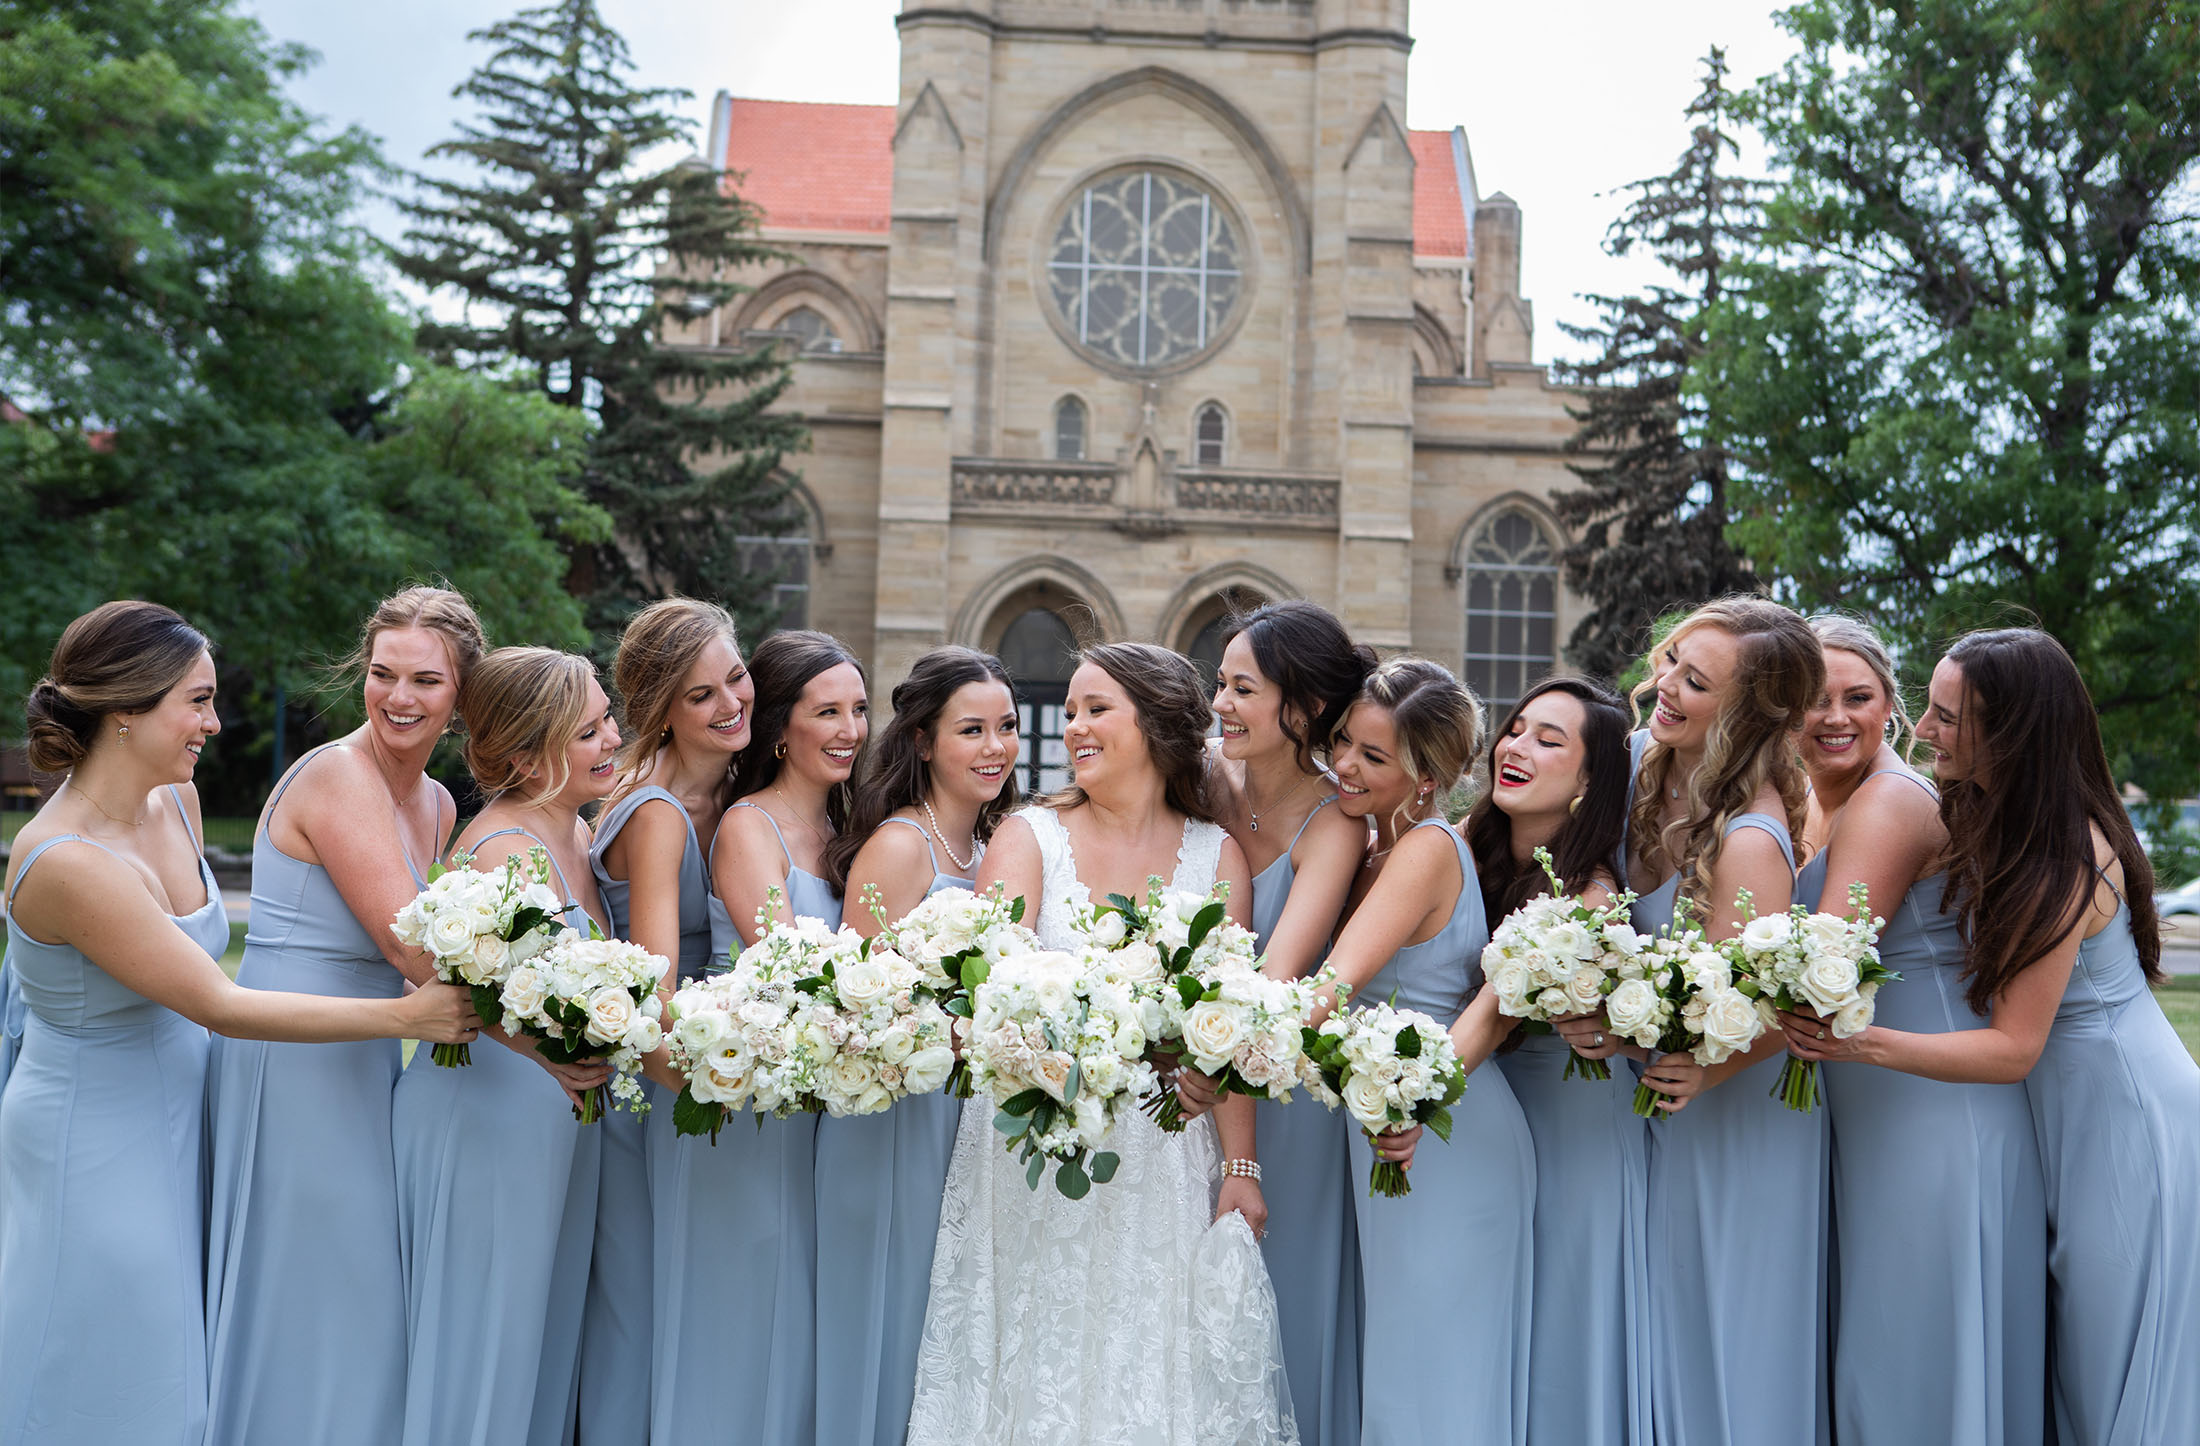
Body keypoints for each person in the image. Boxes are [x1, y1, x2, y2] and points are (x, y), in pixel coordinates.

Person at [0, 602, 477, 1446]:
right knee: (114, 1358)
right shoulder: (67, 860)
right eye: (197, 701)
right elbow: (219, 1002)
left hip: (188, 1107)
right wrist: (406, 1016)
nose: (215, 723)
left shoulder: (176, 803)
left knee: (190, 1352)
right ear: (124, 711)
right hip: (98, 1128)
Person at [1784, 627, 2197, 1445]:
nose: (1923, 730)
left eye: (1946, 717)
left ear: (2011, 733)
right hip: (2065, 1111)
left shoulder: (2062, 852)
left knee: (2117, 1365)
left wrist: (1859, 1042)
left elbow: (2014, 1048)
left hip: (2122, 1121)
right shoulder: (1997, 816)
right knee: (2076, 1364)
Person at [906, 642, 1293, 1446]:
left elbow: (1233, 1025)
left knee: (1148, 1364)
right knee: (1034, 1363)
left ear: (1155, 724)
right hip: (1034, 1148)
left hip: (1164, 1156)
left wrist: (1241, 1169)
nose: (1074, 728)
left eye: (1096, 709)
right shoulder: (1027, 836)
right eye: (1072, 710)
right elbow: (992, 1000)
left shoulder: (1216, 856)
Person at [203, 585, 489, 1446]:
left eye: (425, 682)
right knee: (326, 1279)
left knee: (354, 1284)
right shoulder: (337, 774)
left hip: (365, 1056)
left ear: (461, 695)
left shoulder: (438, 802)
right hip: (291, 1059)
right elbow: (416, 952)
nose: (398, 697)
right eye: (382, 673)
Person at [1774, 616, 2047, 1446]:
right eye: (1813, 700)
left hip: (1932, 1115)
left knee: (1912, 1350)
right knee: (1894, 1342)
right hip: (1883, 1103)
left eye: (1858, 697)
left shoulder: (1889, 802)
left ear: (1893, 707)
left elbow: (1818, 972)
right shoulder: (1828, 805)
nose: (1835, 717)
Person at [1574, 596, 1827, 1446]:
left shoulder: (1751, 840)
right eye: (1672, 662)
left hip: (1725, 1119)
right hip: (1655, 1110)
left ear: (1751, 712)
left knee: (1720, 1341)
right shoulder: (1644, 762)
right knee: (1662, 1332)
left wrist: (1689, 1063)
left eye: (1697, 681)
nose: (1666, 687)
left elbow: (1740, 1011)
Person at [392, 647, 622, 1446]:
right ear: (527, 756)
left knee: (538, 1339)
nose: (612, 739)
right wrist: (541, 1051)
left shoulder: (582, 836)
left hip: (554, 1123)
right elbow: (464, 991)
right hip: (489, 1118)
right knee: (484, 1341)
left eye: (606, 719)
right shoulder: (504, 851)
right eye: (588, 730)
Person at [653, 629, 867, 1445]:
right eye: (827, 712)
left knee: (797, 1318)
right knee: (740, 1312)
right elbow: (788, 968)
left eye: (856, 710)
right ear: (782, 727)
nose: (849, 729)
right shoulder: (750, 826)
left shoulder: (849, 827)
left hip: (814, 1105)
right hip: (744, 1103)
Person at [1315, 658, 1535, 1446]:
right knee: (1403, 1358)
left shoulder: (1422, 852)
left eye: (1373, 758)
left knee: (1431, 1365)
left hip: (1437, 1132)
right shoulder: (1372, 842)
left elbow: (1328, 990)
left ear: (1429, 776)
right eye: (1344, 742)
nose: (1344, 764)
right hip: (1394, 1121)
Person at [820, 644, 1020, 1446]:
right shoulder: (903, 847)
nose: (996, 746)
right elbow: (847, 1007)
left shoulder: (998, 843)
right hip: (893, 1124)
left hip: (968, 1126)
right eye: (971, 729)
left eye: (1005, 726)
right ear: (924, 742)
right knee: (892, 1324)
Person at [1187, 600, 1371, 1446]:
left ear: (1299, 711)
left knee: (1278, 1319)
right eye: (1220, 684)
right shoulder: (1198, 781)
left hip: (1279, 1102)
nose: (1219, 703)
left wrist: (1243, 1153)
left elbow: (1274, 984)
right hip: (1178, 1097)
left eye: (1242, 689)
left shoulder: (1336, 824)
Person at [583, 599, 752, 1446]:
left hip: (704, 1086)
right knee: (643, 1312)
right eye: (701, 696)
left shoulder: (733, 797)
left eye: (736, 677)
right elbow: (652, 1001)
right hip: (659, 1097)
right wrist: (732, 1081)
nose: (731, 704)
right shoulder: (655, 817)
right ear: (660, 710)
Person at [1472, 676, 1651, 1446]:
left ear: (1588, 783)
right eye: (1515, 729)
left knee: (1564, 1329)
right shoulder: (1462, 852)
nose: (1516, 747)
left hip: (1576, 1132)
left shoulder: (1588, 896)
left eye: (1549, 741)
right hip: (1486, 1127)